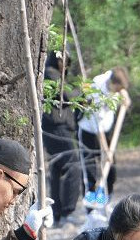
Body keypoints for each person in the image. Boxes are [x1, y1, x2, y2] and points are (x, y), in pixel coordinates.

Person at [41, 49, 84, 225]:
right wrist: (82, 90)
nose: (64, 64)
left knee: (58, 169)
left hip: (59, 128)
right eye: (62, 61)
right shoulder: (50, 74)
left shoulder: (57, 76)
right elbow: (65, 95)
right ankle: (68, 210)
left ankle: (58, 213)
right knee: (73, 165)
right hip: (56, 129)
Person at [78, 66, 130, 205]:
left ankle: (105, 199)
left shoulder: (111, 77)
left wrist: (125, 95)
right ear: (112, 84)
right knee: (89, 169)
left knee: (111, 166)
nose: (118, 92)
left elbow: (120, 84)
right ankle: (90, 205)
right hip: (89, 129)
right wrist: (106, 150)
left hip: (107, 128)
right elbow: (97, 126)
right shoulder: (97, 90)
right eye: (117, 89)